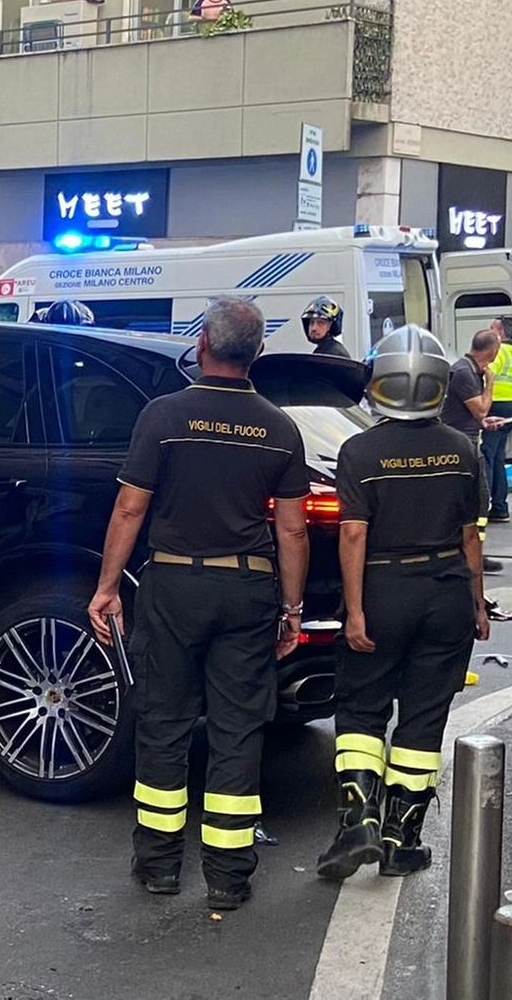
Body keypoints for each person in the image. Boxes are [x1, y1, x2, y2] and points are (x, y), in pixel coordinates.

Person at [88, 297, 310, 912]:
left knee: (164, 723)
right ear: (257, 353)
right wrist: (291, 610)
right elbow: (291, 531)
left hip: (174, 587)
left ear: (202, 345)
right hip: (248, 590)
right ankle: (230, 876)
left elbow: (130, 508)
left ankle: (159, 866)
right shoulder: (279, 427)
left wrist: (107, 588)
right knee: (239, 730)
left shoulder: (164, 415)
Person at [316, 325, 489, 880]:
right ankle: (400, 838)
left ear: (380, 383)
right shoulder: (462, 449)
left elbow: (352, 536)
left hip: (382, 589)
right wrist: (479, 604)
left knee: (362, 709)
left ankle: (357, 820)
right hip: (446, 592)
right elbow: (470, 538)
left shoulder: (359, 450)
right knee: (423, 719)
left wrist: (356, 610)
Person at [440, 330, 505, 574]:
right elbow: (480, 409)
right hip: (462, 446)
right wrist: (490, 384)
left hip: (467, 439)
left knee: (478, 503)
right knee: (478, 500)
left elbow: (473, 415)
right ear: (493, 352)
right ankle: (470, 551)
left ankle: (475, 549)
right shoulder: (465, 372)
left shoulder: (467, 369)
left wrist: (485, 423)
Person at [482, 317, 512, 519]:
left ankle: (485, 504)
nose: (488, 331)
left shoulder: (499, 352)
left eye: (492, 328)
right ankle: (500, 505)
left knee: (486, 456)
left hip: (496, 405)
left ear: (501, 333)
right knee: (497, 458)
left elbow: (487, 374)